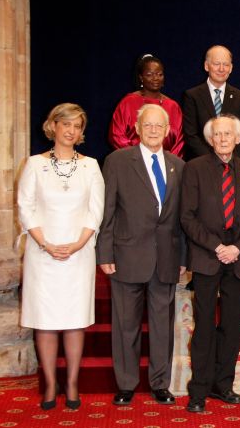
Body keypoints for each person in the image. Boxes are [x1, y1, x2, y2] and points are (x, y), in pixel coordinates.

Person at [97, 104, 186, 407]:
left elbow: (181, 219)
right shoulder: (117, 161)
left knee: (163, 326)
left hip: (166, 258)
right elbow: (107, 210)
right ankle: (126, 384)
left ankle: (160, 383)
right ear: (136, 127)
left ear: (167, 131)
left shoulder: (178, 165)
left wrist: (183, 255)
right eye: (147, 125)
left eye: (158, 126)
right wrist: (104, 251)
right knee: (126, 324)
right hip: (126, 255)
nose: (152, 130)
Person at [18, 103, 104, 410]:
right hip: (43, 255)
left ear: (81, 132)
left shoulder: (91, 166)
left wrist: (79, 243)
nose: (71, 130)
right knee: (46, 321)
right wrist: (45, 243)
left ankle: (72, 383)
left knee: (74, 321)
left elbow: (96, 211)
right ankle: (51, 384)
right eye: (65, 124)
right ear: (53, 126)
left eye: (77, 126)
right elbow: (25, 208)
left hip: (77, 255)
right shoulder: (34, 164)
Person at [181, 115, 240, 413]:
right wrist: (216, 247)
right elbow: (187, 217)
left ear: (237, 138)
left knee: (231, 325)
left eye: (229, 134)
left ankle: (223, 385)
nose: (224, 139)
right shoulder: (194, 169)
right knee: (204, 326)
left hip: (238, 260)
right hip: (207, 257)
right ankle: (198, 390)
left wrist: (236, 249)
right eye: (218, 135)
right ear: (210, 139)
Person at [182, 45, 240, 161]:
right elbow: (190, 135)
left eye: (226, 64)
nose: (221, 69)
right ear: (206, 66)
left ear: (231, 68)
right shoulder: (192, 96)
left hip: (232, 163)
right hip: (202, 163)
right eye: (216, 64)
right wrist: (213, 160)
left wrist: (229, 159)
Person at [109, 54, 184, 157]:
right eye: (149, 74)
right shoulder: (128, 102)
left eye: (160, 74)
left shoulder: (173, 106)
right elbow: (116, 135)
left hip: (165, 165)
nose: (155, 78)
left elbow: (179, 142)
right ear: (141, 77)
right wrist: (138, 157)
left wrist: (168, 161)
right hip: (133, 163)